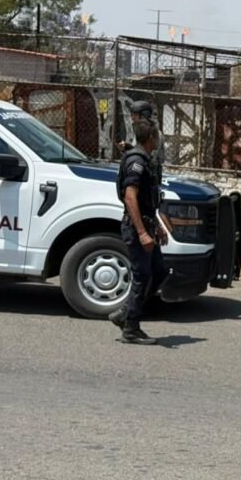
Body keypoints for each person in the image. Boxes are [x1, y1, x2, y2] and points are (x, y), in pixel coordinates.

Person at [109, 116, 168, 344]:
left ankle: (125, 313)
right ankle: (131, 328)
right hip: (136, 228)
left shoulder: (145, 159)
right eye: (157, 134)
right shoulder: (137, 161)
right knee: (142, 276)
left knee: (159, 272)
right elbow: (130, 196)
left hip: (147, 224)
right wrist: (142, 232)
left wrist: (158, 226)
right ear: (152, 137)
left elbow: (146, 201)